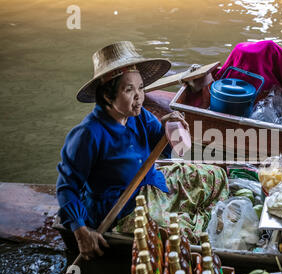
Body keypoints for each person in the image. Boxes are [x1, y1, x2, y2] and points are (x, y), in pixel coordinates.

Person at [56, 41, 188, 260]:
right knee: (178, 233)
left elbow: (164, 149)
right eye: (129, 90)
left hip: (150, 184)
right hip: (119, 210)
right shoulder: (88, 135)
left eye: (141, 88)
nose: (139, 96)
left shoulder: (140, 116)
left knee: (213, 176)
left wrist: (170, 126)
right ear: (107, 96)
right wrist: (80, 231)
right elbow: (66, 187)